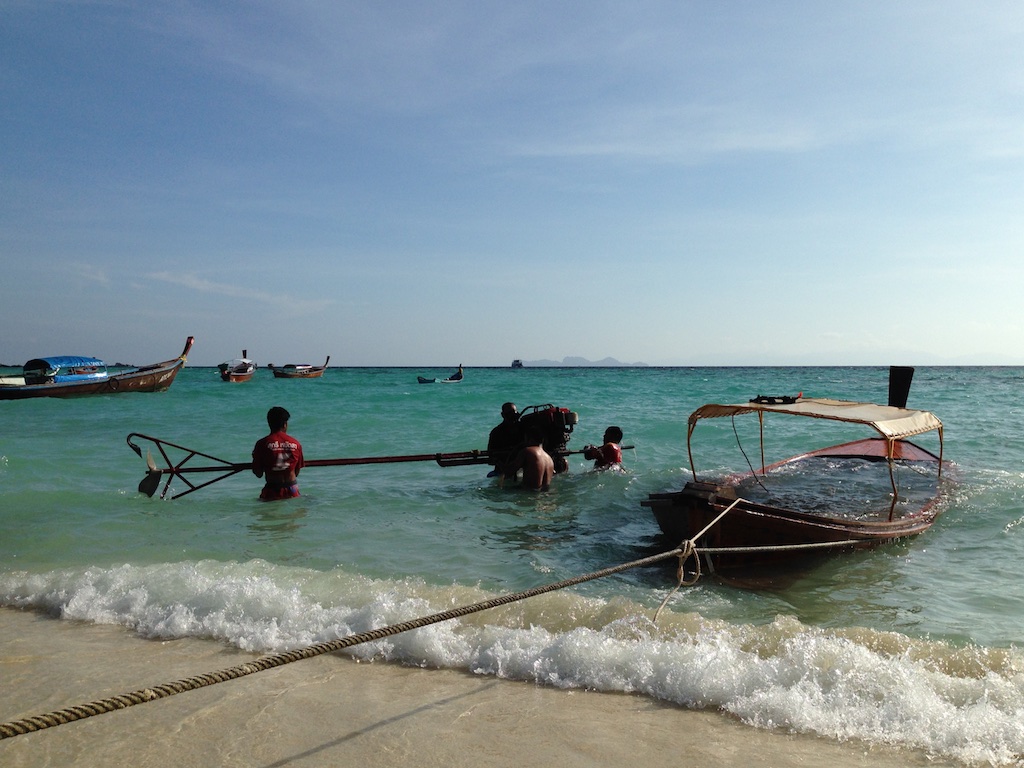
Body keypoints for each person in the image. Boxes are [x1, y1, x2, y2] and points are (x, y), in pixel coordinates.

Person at [252, 406, 305, 501]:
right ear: (285, 424)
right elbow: (296, 472)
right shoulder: (296, 443)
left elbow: (258, 473)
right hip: (292, 489)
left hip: (272, 490)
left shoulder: (262, 444)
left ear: (269, 423)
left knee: (267, 514)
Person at [487, 401, 523, 478]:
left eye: (514, 413)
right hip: (503, 468)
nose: (512, 416)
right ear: (503, 415)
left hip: (521, 467)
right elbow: (491, 455)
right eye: (509, 413)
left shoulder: (523, 428)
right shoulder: (496, 432)